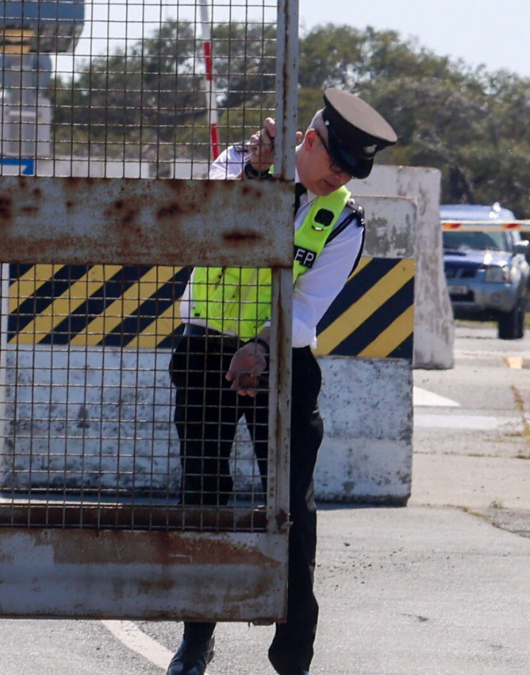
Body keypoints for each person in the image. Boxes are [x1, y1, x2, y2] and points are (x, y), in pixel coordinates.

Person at [166, 88, 398, 675]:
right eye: (336, 163)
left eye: (352, 171)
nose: (340, 178)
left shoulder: (343, 219)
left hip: (286, 366)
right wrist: (252, 168)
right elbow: (199, 216)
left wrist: (262, 348)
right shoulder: (235, 166)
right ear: (309, 140)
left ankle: (293, 658)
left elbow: (308, 305)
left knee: (292, 509)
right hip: (204, 354)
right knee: (203, 499)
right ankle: (197, 639)